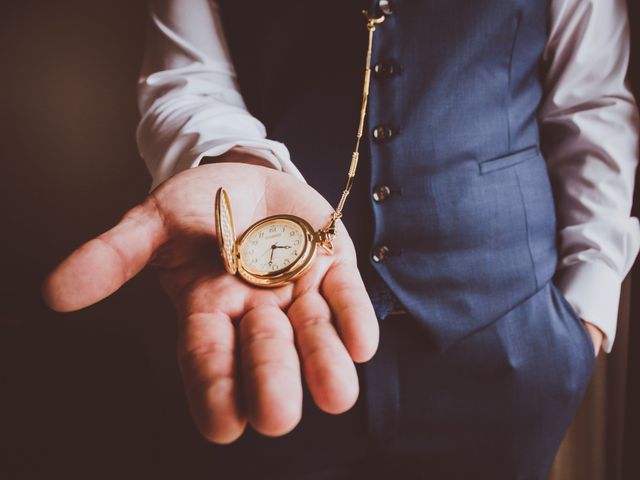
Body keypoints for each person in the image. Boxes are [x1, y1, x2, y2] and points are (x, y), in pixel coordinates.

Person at [44, 0, 640, 478]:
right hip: (274, 339)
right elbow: (188, 73)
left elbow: (591, 104)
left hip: (515, 343)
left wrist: (585, 316)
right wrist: (230, 159)